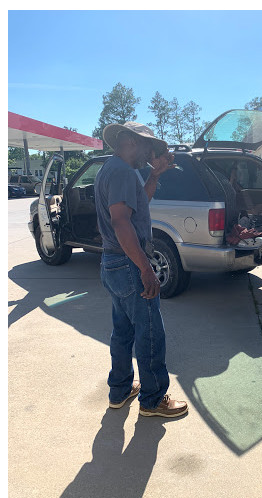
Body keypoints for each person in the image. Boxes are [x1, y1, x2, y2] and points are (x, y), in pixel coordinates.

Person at [94, 121, 188, 418]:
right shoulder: (122, 172)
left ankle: (120, 390)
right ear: (130, 141)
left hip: (113, 262)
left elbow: (139, 204)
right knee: (149, 333)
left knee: (123, 331)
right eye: (147, 145)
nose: (150, 152)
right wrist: (146, 269)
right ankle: (152, 399)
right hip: (129, 263)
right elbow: (121, 222)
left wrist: (155, 174)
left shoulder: (113, 169)